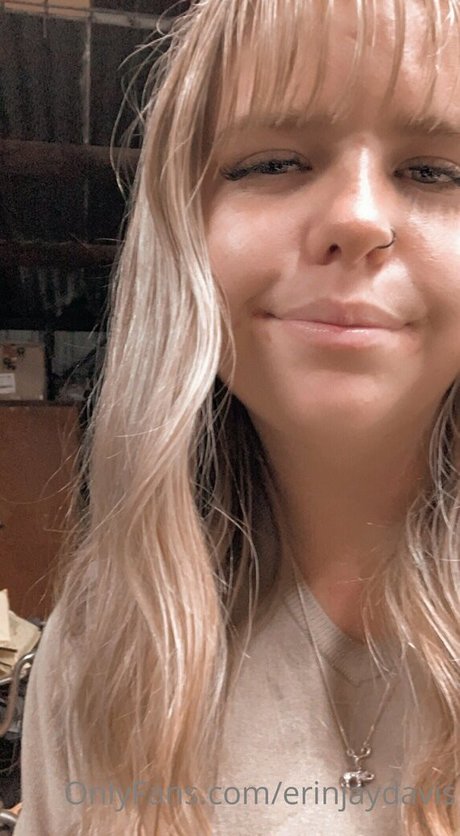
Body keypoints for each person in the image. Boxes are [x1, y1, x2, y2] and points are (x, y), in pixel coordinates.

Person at [14, 0, 460, 833]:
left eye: (436, 172)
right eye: (274, 161)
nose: (358, 217)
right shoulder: (100, 652)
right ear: (182, 230)